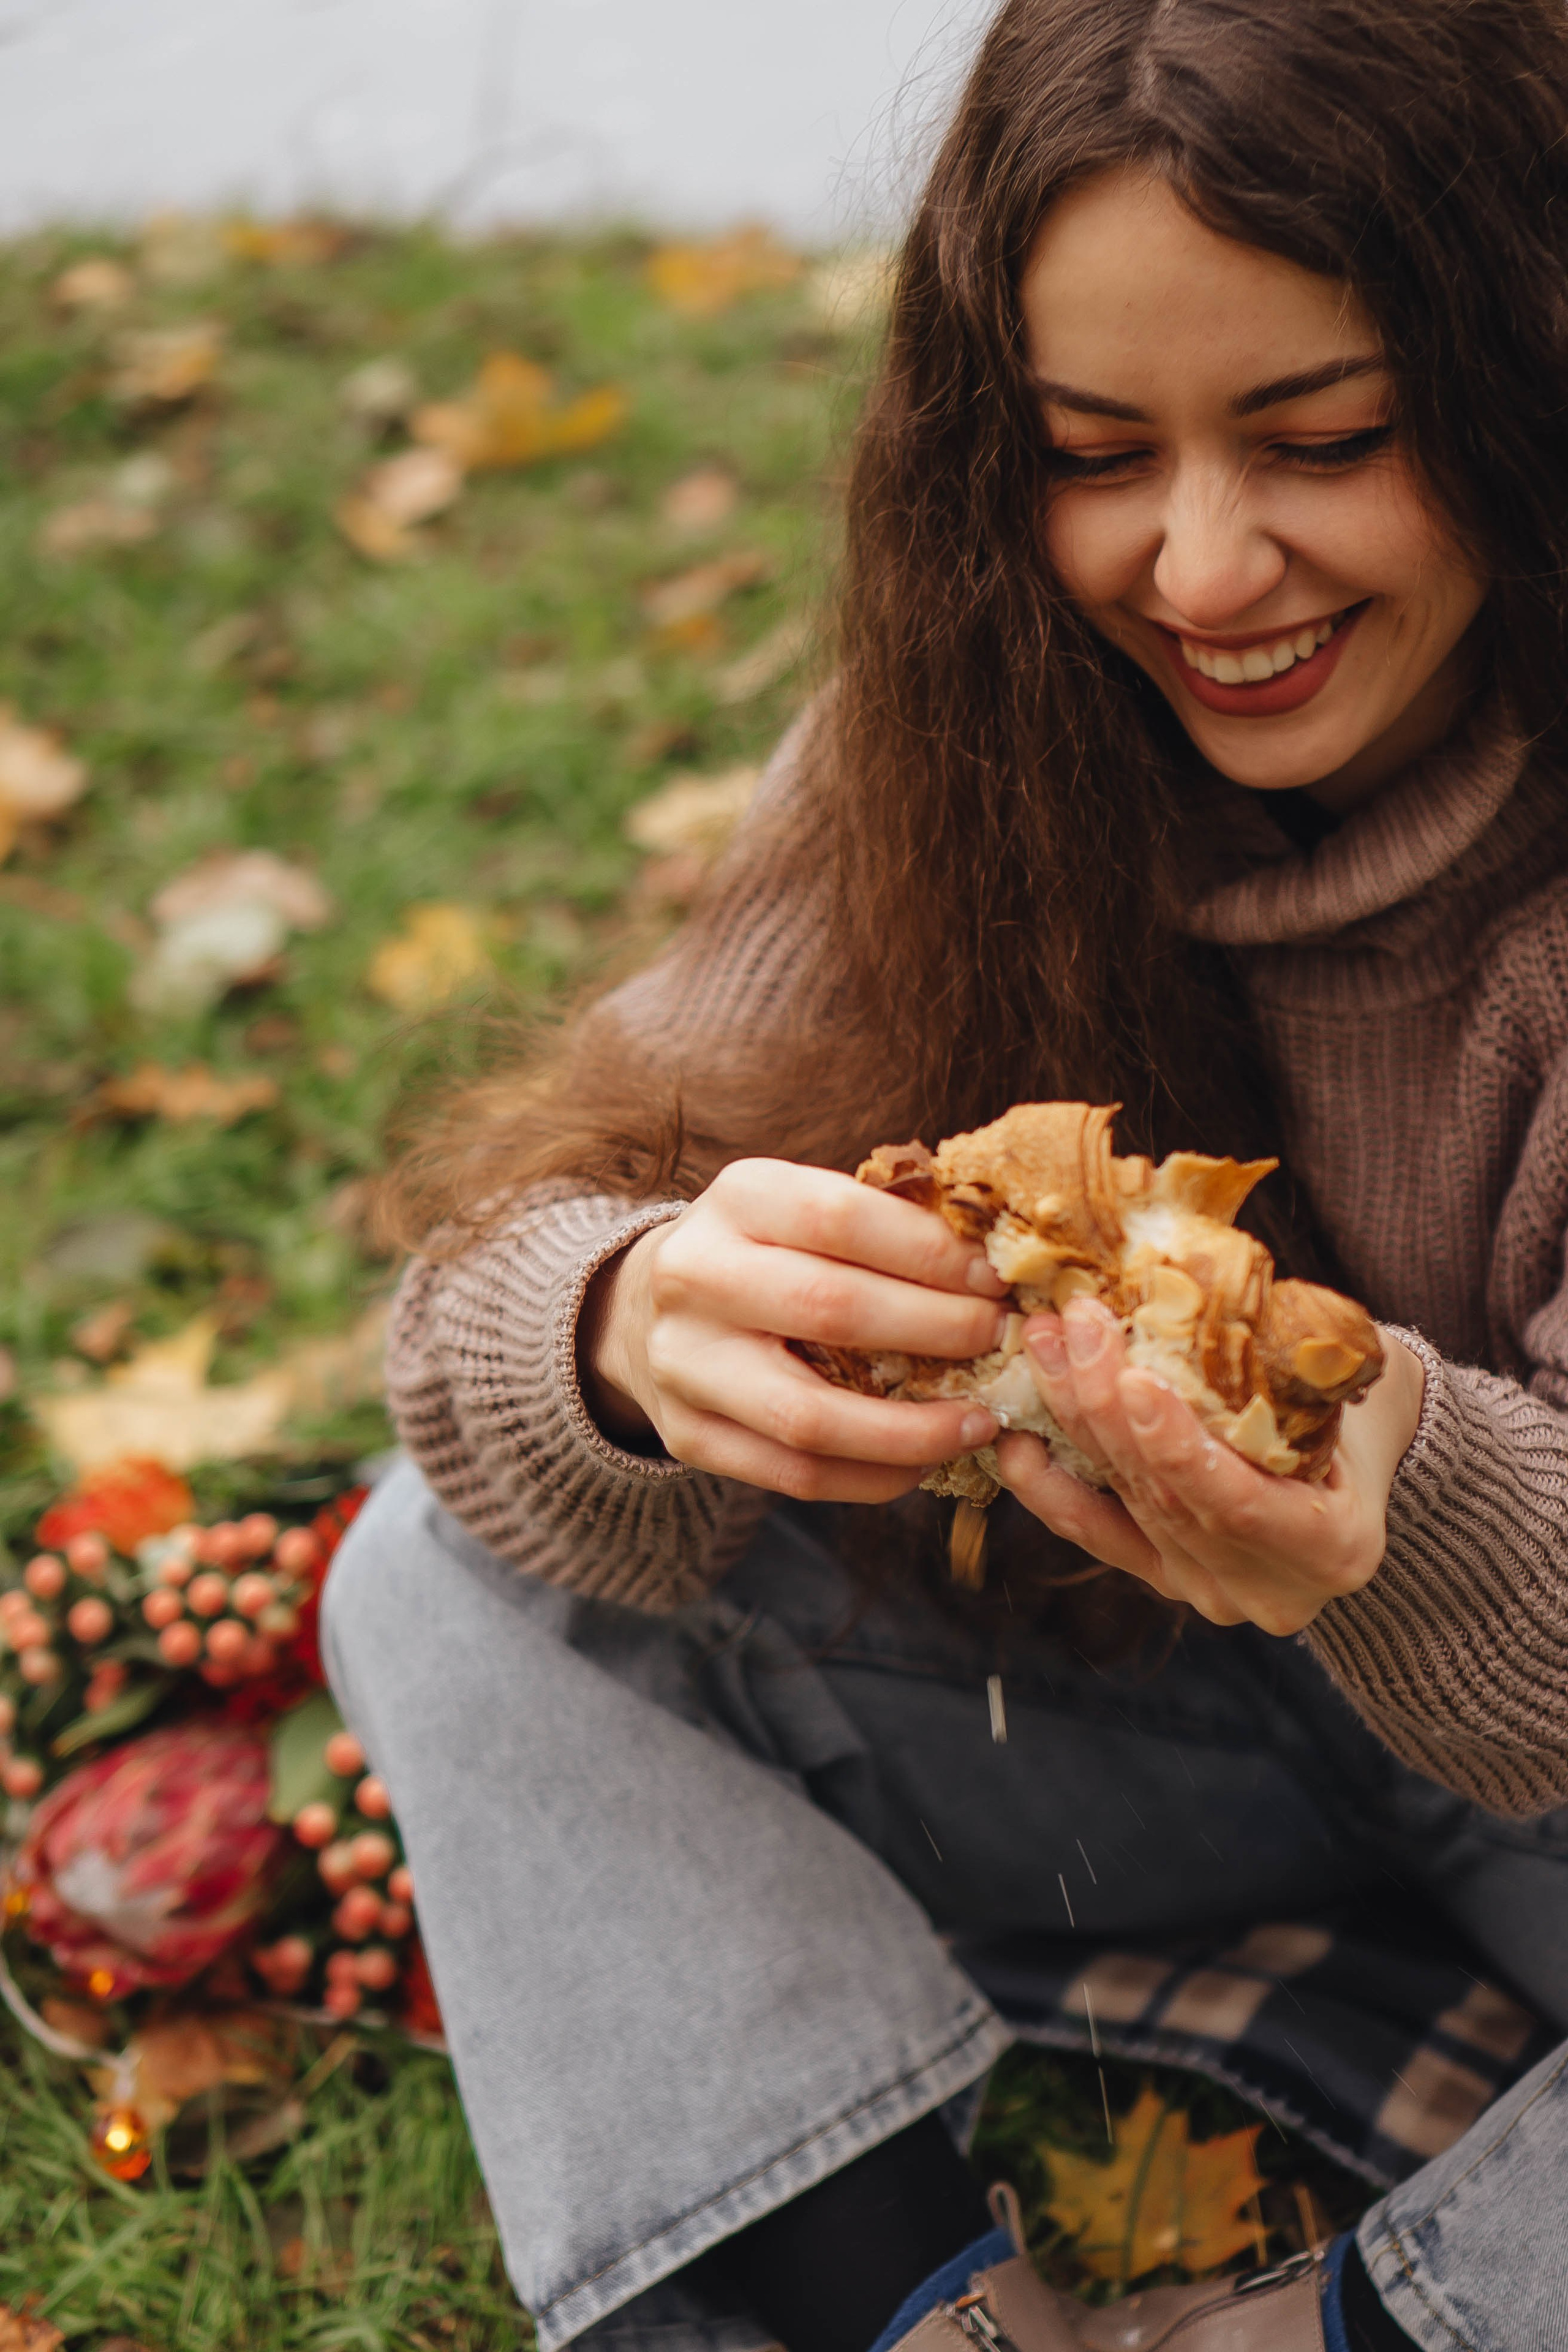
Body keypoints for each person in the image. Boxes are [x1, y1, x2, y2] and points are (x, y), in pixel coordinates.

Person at [322, 1, 1568, 2345]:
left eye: (1330, 438)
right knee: (433, 1579)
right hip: (1158, 1742)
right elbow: (500, 1310)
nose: (1204, 570)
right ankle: (894, 2311)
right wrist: (623, 1327)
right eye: (1100, 452)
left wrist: (1412, 1495)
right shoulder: (971, 733)